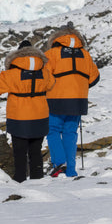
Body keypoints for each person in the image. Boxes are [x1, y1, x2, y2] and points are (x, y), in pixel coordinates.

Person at [0, 40, 56, 182]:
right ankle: (37, 179)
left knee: (19, 152)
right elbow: (52, 84)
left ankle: (19, 180)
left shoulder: (10, 74)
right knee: (36, 151)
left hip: (18, 117)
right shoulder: (45, 72)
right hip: (40, 116)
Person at [44, 23, 100, 177]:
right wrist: (79, 85)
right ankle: (70, 170)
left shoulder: (52, 53)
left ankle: (59, 163)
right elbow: (95, 78)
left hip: (57, 98)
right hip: (78, 99)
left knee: (52, 130)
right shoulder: (85, 55)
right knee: (70, 132)